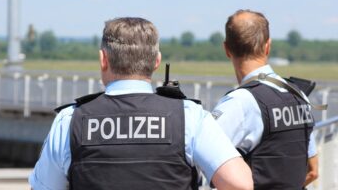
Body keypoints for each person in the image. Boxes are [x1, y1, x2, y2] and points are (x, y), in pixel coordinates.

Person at [29, 17, 253, 190]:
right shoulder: (189, 117)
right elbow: (240, 184)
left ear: (103, 59)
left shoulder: (70, 121)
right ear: (156, 61)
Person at [212, 9, 319, 189]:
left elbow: (197, 159)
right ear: (268, 46)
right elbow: (313, 171)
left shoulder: (239, 102)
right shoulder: (298, 94)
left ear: (227, 49)